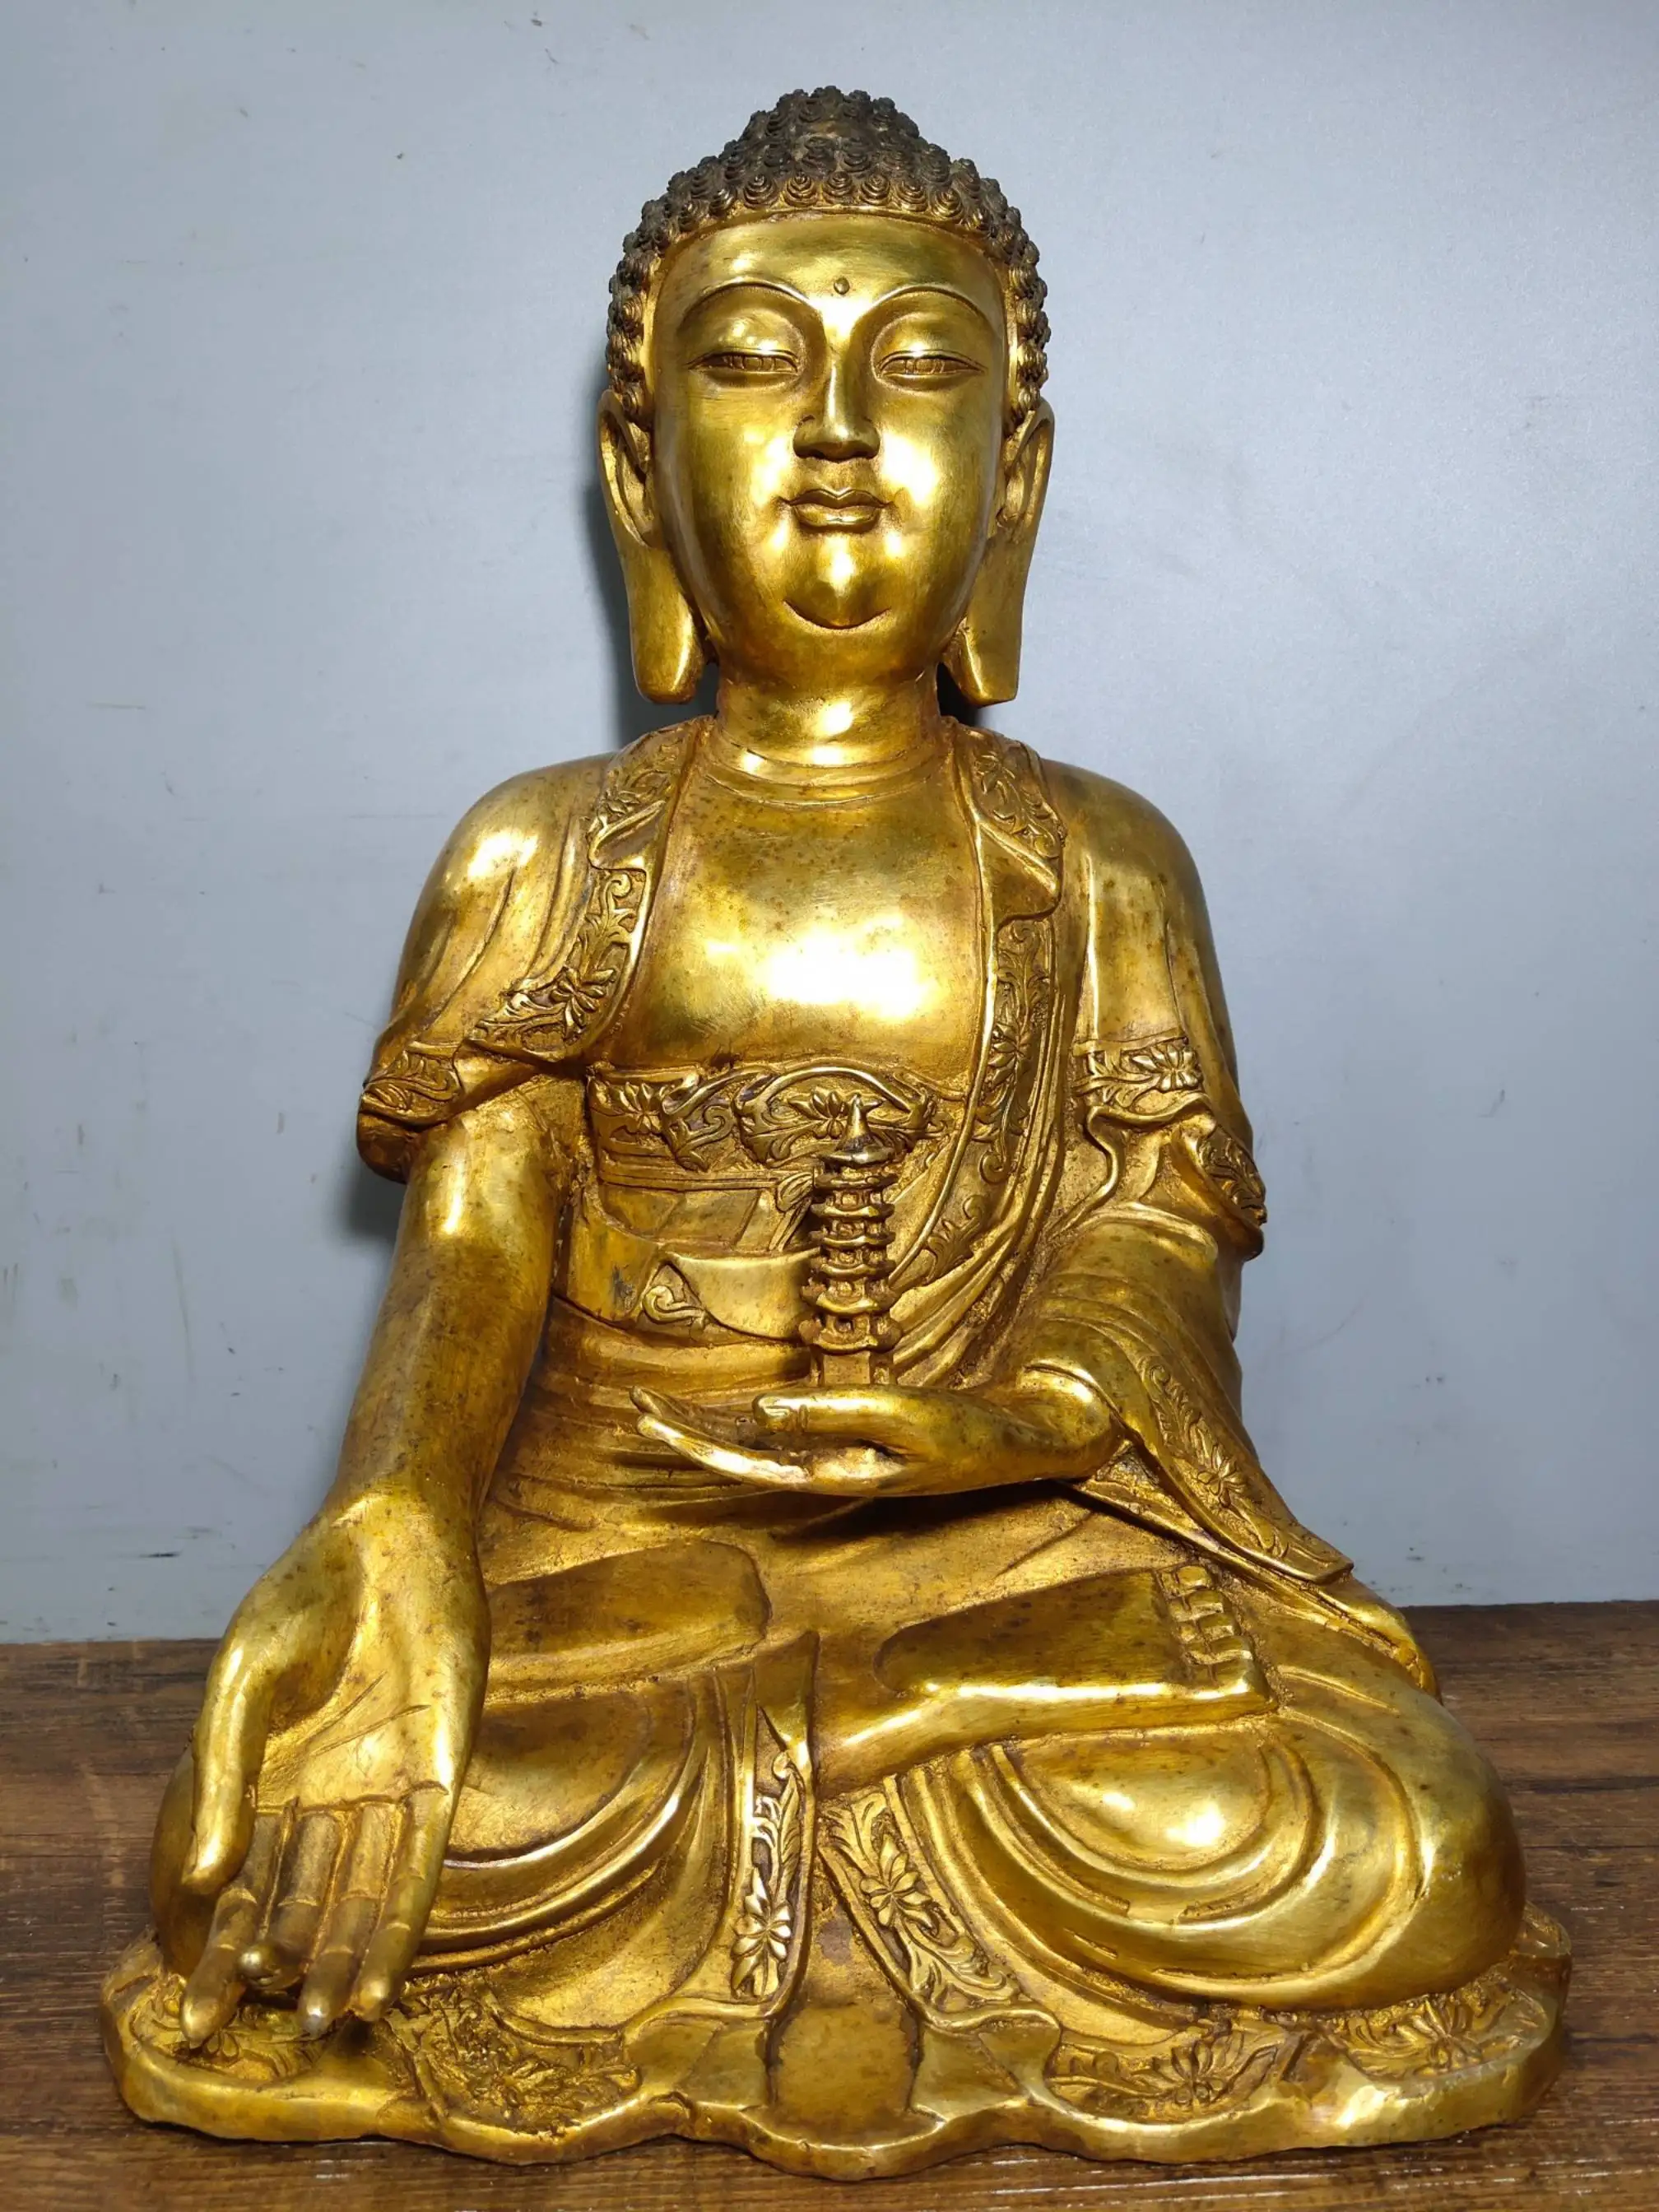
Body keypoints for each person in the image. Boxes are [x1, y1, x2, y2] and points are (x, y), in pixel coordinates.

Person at [105, 89, 1564, 2173]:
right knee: (269, 1836)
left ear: (1015, 477)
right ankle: (865, 1742)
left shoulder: (1099, 862)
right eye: (757, 363)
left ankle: (876, 1725)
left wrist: (1024, 1413)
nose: (841, 436)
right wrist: (399, 1532)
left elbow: (1155, 1222)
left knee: (1410, 1836)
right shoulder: (548, 853)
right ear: (642, 475)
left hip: (1011, 1557)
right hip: (620, 1575)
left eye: (922, 367)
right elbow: (479, 1237)